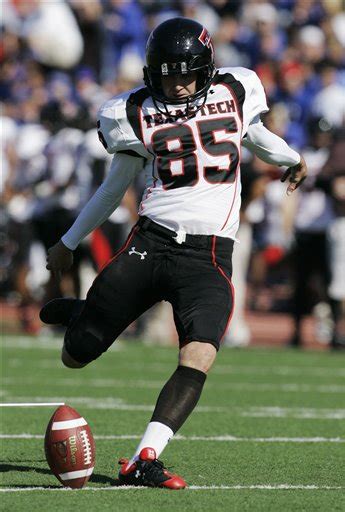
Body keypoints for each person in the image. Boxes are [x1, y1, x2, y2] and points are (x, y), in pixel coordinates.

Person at [39, 18, 307, 489]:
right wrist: (68, 242)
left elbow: (257, 137)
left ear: (205, 69)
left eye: (185, 74)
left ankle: (146, 456)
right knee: (75, 356)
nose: (177, 84)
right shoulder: (132, 112)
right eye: (166, 74)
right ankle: (88, 312)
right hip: (152, 242)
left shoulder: (238, 90)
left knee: (200, 353)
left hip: (209, 257)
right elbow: (112, 189)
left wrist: (291, 159)